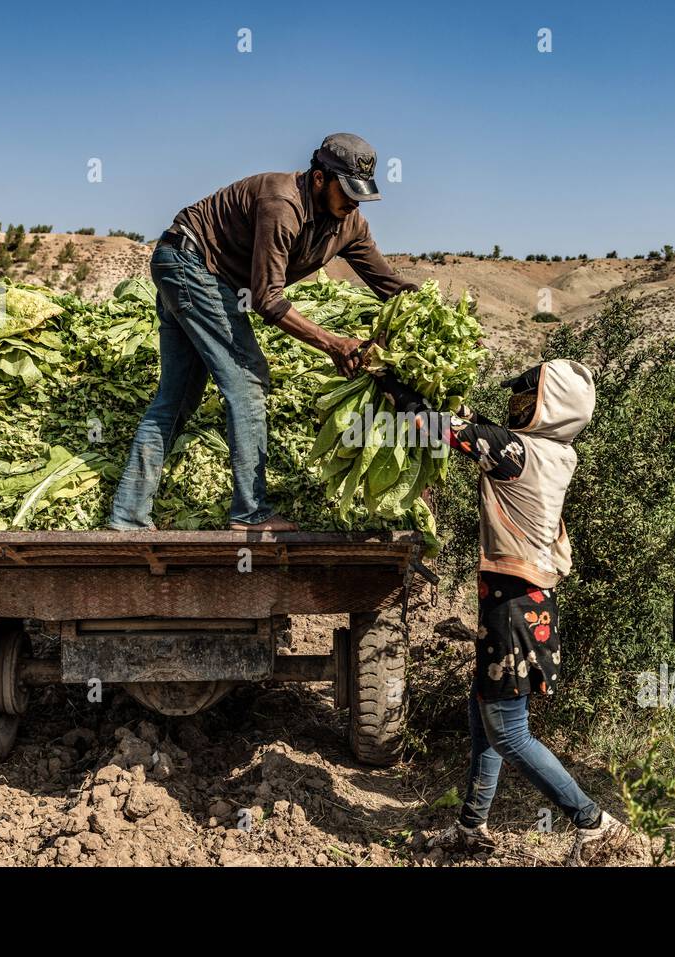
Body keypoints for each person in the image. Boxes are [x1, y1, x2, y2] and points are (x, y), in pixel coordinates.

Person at [376, 359, 631, 865]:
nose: (515, 402)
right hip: (521, 603)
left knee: (508, 731)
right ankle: (472, 827)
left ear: (548, 406)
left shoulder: (518, 452)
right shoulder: (554, 452)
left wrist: (389, 381)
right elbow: (477, 430)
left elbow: (431, 428)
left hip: (513, 610)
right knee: (484, 717)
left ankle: (591, 820)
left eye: (525, 394)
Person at [108, 133, 417, 532]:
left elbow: (389, 286)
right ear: (320, 178)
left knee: (178, 396)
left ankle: (127, 517)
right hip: (191, 262)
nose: (354, 202)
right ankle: (250, 513)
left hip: (193, 272)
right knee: (248, 380)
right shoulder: (282, 202)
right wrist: (333, 344)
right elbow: (267, 300)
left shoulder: (350, 223)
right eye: (347, 191)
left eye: (361, 194)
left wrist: (441, 319)